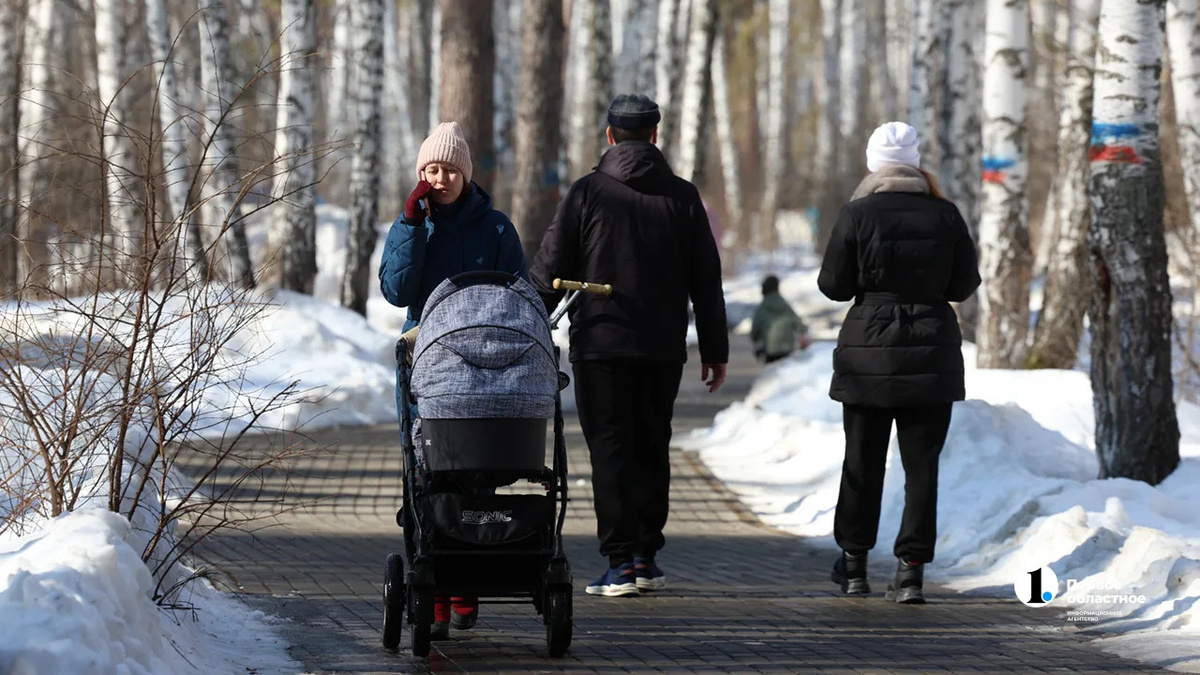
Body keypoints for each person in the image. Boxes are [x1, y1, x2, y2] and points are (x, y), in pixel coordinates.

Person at [530, 94, 729, 598]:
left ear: (610, 135)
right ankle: (644, 556)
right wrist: (715, 349)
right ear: (655, 136)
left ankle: (619, 562)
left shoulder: (586, 193)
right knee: (651, 445)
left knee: (611, 449)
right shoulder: (683, 197)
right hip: (662, 347)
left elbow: (547, 269)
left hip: (600, 342)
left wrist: (523, 321)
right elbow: (707, 280)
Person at [818, 121, 980, 605]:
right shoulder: (946, 215)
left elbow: (834, 286)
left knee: (862, 462)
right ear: (915, 162)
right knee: (921, 468)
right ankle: (911, 569)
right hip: (931, 351)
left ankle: (853, 565)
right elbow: (962, 285)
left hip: (868, 352)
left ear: (872, 163)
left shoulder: (856, 213)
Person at [377, 120, 526, 638]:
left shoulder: (497, 228)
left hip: (487, 365)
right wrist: (410, 226)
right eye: (428, 169)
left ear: (465, 173)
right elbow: (396, 293)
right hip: (428, 362)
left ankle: (467, 583)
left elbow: (516, 293)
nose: (437, 178)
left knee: (479, 474)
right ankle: (435, 594)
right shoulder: (414, 225)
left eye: (447, 170)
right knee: (429, 473)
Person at [750, 275, 808, 363]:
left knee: (772, 372)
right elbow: (797, 322)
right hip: (787, 348)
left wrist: (756, 340)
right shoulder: (785, 305)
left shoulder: (762, 306)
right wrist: (802, 334)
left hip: (770, 348)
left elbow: (756, 327)